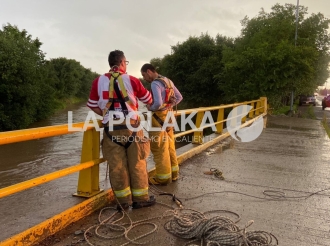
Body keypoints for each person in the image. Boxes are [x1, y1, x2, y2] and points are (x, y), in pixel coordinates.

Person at [87, 50, 156, 210]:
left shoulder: (98, 81)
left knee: (117, 166)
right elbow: (149, 99)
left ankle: (124, 203)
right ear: (123, 63)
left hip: (111, 128)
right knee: (137, 163)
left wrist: (105, 114)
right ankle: (141, 199)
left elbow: (92, 104)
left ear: (111, 64)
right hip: (132, 126)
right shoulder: (132, 80)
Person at [140, 63, 183, 185]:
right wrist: (169, 105)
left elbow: (158, 103)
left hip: (158, 120)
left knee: (159, 149)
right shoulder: (168, 81)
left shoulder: (155, 83)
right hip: (169, 118)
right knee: (170, 146)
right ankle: (174, 174)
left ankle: (162, 178)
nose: (144, 78)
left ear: (149, 71)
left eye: (144, 75)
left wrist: (150, 107)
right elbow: (179, 97)